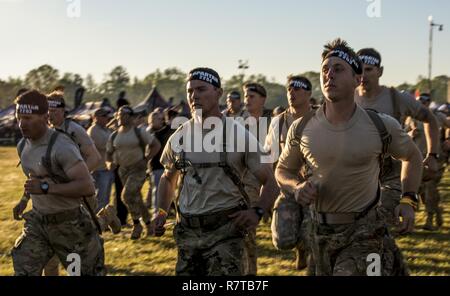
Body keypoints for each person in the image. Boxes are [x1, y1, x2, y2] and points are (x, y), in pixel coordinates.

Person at [275, 39, 423, 275]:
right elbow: (282, 171)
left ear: (357, 79)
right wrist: (296, 186)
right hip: (317, 232)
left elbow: (413, 157)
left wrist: (408, 200)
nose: (329, 75)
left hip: (364, 232)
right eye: (325, 69)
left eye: (338, 69)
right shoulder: (302, 127)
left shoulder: (380, 125)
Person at [151, 67, 278, 276]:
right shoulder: (180, 136)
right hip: (188, 233)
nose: (194, 96)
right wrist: (162, 212)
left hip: (225, 233)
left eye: (201, 90)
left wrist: (257, 211)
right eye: (190, 91)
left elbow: (271, 182)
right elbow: (167, 177)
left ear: (219, 94)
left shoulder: (239, 135)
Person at [12, 90, 106, 276]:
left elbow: (86, 186)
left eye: (28, 118)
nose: (22, 124)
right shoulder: (23, 145)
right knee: (23, 268)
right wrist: (24, 200)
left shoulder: (62, 146)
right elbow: (35, 179)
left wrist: (47, 188)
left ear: (44, 117)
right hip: (38, 223)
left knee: (82, 273)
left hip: (69, 224)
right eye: (19, 118)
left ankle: (104, 218)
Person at [355, 48, 440, 226]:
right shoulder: (347, 98)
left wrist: (432, 155)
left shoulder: (397, 98)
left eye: (369, 69)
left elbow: (430, 119)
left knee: (379, 220)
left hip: (391, 172)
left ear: (380, 71)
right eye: (359, 69)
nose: (363, 74)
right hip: (358, 172)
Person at [265, 75, 314, 272]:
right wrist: (268, 190)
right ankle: (300, 249)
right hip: (288, 186)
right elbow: (270, 157)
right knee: (282, 240)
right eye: (289, 88)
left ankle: (310, 256)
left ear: (309, 94)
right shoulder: (279, 122)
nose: (292, 92)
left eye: (298, 88)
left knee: (313, 236)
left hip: (314, 188)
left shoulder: (320, 118)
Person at [106, 105, 161, 240]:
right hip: (123, 170)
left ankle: (137, 224)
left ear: (130, 117)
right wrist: (109, 164)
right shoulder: (114, 135)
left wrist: (146, 158)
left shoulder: (139, 132)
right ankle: (148, 224)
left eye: (124, 115)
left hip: (138, 168)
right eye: (118, 115)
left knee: (126, 195)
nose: (120, 117)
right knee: (136, 198)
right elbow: (108, 153)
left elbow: (156, 145)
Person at [145, 109, 174, 210]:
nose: (153, 122)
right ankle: (157, 214)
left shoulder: (170, 130)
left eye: (157, 119)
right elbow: (147, 150)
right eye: (152, 120)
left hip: (170, 166)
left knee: (170, 190)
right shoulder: (149, 133)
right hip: (156, 167)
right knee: (157, 191)